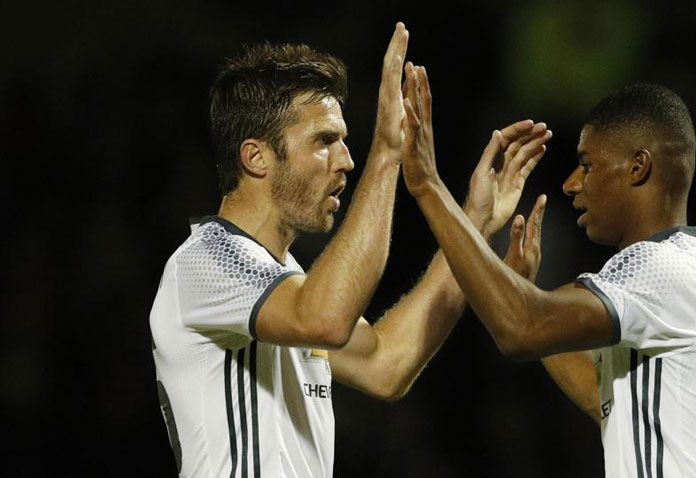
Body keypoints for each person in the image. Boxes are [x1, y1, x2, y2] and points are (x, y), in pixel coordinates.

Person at [149, 24, 551, 477]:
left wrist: (472, 224)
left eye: (345, 141)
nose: (346, 160)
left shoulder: (286, 283)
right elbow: (326, 319)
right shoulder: (205, 263)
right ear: (256, 157)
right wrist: (387, 153)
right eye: (324, 141)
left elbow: (387, 364)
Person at [399, 69, 696, 477]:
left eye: (587, 165)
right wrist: (524, 291)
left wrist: (427, 184)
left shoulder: (659, 268)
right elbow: (608, 403)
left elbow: (520, 328)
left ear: (638, 168)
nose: (570, 184)